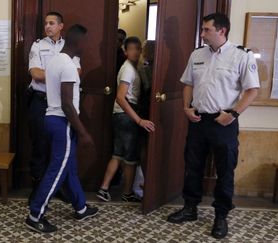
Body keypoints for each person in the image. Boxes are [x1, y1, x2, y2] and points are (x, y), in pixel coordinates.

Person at [166, 13, 260, 240]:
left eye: (206, 30)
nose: (202, 33)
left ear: (222, 31)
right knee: (193, 165)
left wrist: (233, 114)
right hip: (198, 120)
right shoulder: (197, 54)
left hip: (224, 122)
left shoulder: (241, 56)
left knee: (225, 170)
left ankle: (221, 215)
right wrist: (186, 107)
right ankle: (190, 208)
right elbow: (188, 83)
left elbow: (252, 90)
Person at [25, 24, 98, 234]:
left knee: (69, 168)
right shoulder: (66, 65)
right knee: (57, 170)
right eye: (86, 41)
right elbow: (67, 104)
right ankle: (35, 214)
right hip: (62, 122)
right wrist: (83, 132)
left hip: (53, 119)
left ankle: (81, 207)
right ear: (78, 42)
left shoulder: (56, 59)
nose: (87, 46)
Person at [27, 11, 81, 203]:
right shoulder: (38, 46)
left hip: (60, 104)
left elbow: (77, 73)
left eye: (52, 23)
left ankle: (58, 188)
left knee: (59, 148)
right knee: (40, 146)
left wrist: (49, 72)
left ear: (61, 26)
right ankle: (37, 189)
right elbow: (35, 73)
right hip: (41, 101)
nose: (48, 26)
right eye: (46, 23)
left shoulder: (69, 47)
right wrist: (61, 74)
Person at [96, 37, 155, 202]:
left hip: (122, 115)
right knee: (130, 158)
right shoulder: (128, 69)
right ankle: (127, 193)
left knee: (118, 154)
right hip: (126, 115)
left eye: (138, 49)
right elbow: (121, 98)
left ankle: (104, 188)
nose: (135, 52)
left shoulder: (133, 67)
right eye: (131, 49)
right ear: (125, 51)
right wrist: (138, 120)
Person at [132, 40, 156, 198]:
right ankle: (149, 180)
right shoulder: (147, 67)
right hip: (148, 109)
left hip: (145, 108)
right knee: (146, 146)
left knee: (144, 146)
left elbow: (147, 88)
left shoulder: (145, 67)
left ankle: (147, 179)